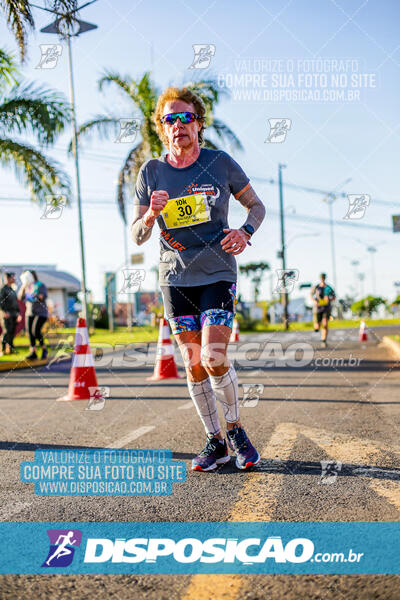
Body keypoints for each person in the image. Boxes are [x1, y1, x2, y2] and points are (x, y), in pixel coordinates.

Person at [131, 86, 266, 471]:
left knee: (213, 356)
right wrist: (150, 216)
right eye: (169, 120)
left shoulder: (219, 163)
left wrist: (245, 232)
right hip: (175, 280)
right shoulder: (151, 172)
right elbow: (138, 236)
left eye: (185, 117)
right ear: (161, 129)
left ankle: (236, 429)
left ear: (199, 123)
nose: (178, 126)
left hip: (218, 273)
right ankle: (215, 441)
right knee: (192, 363)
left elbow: (256, 205)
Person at [18, 270, 49, 360]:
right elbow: (20, 297)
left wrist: (35, 295)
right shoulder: (27, 286)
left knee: (35, 331)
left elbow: (42, 297)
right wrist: (24, 286)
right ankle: (33, 352)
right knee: (30, 333)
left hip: (41, 313)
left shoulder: (40, 285)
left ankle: (44, 349)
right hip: (30, 312)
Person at [311, 273, 336, 348]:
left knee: (325, 324)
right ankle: (317, 327)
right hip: (318, 308)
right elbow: (311, 295)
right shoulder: (316, 287)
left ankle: (323, 340)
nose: (323, 278)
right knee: (317, 326)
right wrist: (314, 301)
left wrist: (329, 299)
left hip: (326, 308)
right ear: (320, 278)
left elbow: (334, 297)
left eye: (324, 277)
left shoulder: (328, 287)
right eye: (321, 277)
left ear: (325, 278)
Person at [0, 272, 22, 355]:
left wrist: (18, 313)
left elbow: (16, 303)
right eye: (13, 277)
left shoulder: (12, 290)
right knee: (6, 331)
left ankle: (11, 349)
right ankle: (2, 350)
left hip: (14, 314)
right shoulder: (3, 289)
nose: (14, 279)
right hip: (6, 314)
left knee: (12, 332)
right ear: (8, 279)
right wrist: (4, 311)